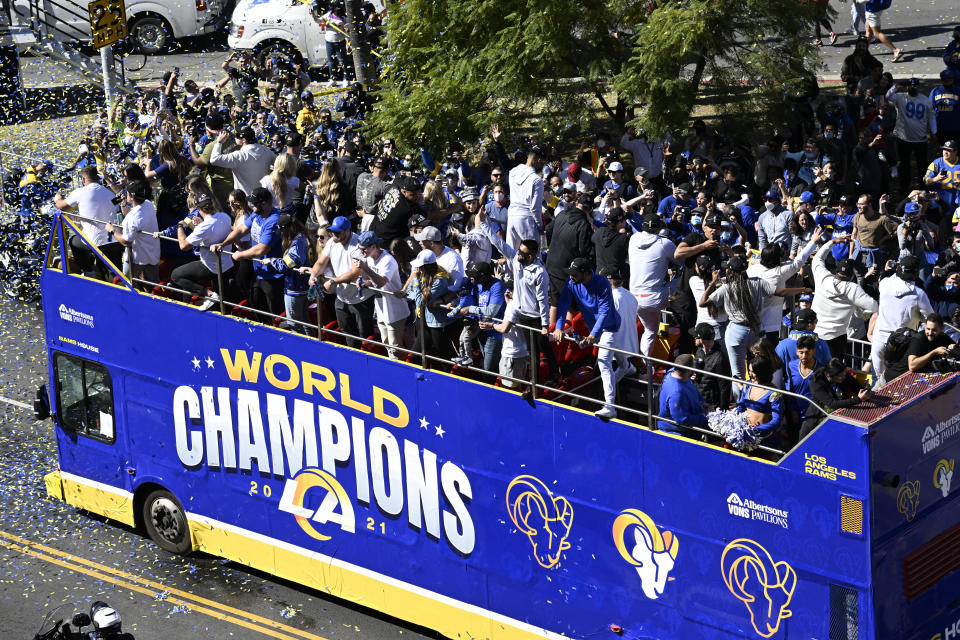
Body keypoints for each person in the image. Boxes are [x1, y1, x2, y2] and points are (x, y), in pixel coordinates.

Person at [479, 209, 558, 381]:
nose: (518, 253)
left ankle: (537, 383)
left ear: (531, 256)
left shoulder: (540, 272)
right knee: (535, 350)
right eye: (519, 250)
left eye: (522, 252)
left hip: (535, 317)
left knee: (539, 348)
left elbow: (543, 300)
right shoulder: (516, 259)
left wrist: (545, 324)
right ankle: (549, 375)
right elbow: (498, 243)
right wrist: (485, 224)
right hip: (522, 313)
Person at [700, 255, 792, 388]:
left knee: (738, 374)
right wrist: (803, 289)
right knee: (760, 368)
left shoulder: (727, 288)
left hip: (736, 332)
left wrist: (712, 283)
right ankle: (758, 395)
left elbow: (702, 303)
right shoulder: (757, 282)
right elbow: (781, 292)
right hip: (756, 330)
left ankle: (741, 403)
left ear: (730, 272)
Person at [552, 258, 622, 419]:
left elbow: (605, 311)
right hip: (594, 330)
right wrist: (558, 327)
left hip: (609, 328)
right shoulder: (572, 284)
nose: (570, 277)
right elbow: (562, 306)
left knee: (604, 362)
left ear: (585, 273)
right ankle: (626, 367)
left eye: (574, 274)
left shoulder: (602, 282)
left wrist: (593, 335)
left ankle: (610, 406)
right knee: (617, 359)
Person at [212, 187, 284, 320]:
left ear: (264, 204)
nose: (251, 205)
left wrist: (240, 255)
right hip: (259, 272)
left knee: (275, 315)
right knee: (256, 304)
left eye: (254, 203)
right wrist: (222, 244)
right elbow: (241, 230)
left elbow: (262, 249)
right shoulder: (257, 214)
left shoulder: (273, 221)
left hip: (273, 276)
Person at [307, 216, 377, 348]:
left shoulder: (358, 245)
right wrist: (313, 276)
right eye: (333, 231)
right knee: (347, 332)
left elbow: (355, 273)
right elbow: (321, 262)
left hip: (361, 299)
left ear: (347, 231)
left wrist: (333, 281)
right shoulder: (333, 242)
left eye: (337, 232)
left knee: (365, 336)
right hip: (341, 297)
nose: (334, 234)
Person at [747, 230, 820, 343]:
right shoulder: (779, 272)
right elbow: (799, 261)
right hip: (770, 326)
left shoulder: (751, 269)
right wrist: (813, 241)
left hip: (751, 322)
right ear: (777, 259)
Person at [810, 238, 878, 358]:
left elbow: (818, 258)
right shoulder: (852, 288)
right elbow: (873, 306)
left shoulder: (822, 277)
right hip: (837, 338)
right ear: (851, 275)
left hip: (815, 334)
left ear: (835, 271)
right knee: (834, 372)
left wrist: (832, 242)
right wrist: (861, 313)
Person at [168, 192, 235, 311]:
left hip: (211, 266)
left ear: (198, 208)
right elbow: (214, 229)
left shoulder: (204, 227)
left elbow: (183, 246)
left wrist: (179, 226)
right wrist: (201, 224)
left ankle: (209, 294)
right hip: (227, 264)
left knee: (176, 275)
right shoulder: (225, 216)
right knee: (224, 304)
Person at [53, 166, 123, 277]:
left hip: (95, 242)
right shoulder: (110, 193)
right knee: (117, 274)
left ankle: (89, 272)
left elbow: (61, 206)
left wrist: (57, 199)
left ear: (83, 179)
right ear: (98, 178)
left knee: (73, 241)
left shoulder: (81, 192)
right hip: (115, 239)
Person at [872, 256, 933, 381]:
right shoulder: (918, 294)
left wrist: (887, 270)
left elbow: (885, 279)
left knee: (878, 382)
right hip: (902, 346)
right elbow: (930, 319)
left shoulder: (884, 284)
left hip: (879, 340)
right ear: (916, 273)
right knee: (898, 383)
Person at [353, 230, 411, 359]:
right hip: (381, 308)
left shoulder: (387, 260)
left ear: (374, 247)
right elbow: (375, 281)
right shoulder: (370, 258)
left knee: (395, 346)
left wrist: (365, 268)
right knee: (386, 342)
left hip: (395, 310)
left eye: (364, 250)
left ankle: (404, 368)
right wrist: (365, 282)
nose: (362, 253)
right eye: (360, 249)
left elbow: (380, 282)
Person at [629, 214, 679, 356]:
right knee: (685, 278)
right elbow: (682, 262)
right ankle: (678, 323)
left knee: (650, 330)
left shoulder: (633, 239)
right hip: (656, 298)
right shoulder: (665, 243)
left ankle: (645, 366)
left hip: (634, 298)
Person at [103, 179, 161, 284]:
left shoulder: (132, 218)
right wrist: (124, 205)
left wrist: (112, 230)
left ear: (131, 196)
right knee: (152, 285)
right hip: (153, 253)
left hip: (136, 259)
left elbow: (126, 242)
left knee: (126, 283)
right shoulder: (148, 204)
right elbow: (134, 216)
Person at [261, 214, 311, 332]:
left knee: (295, 323)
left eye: (283, 231)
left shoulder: (297, 242)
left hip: (295, 289)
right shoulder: (302, 237)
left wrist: (271, 261)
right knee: (304, 322)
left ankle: (299, 347)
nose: (282, 234)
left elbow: (287, 264)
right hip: (299, 287)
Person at [800, 358, 873, 439]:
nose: (844, 377)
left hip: (839, 420)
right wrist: (858, 399)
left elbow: (857, 388)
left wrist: (865, 390)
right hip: (818, 422)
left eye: (845, 374)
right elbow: (832, 404)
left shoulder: (844, 376)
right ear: (829, 376)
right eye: (841, 376)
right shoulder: (816, 383)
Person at [406, 249, 457, 363]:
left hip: (438, 323)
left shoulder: (440, 280)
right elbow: (410, 291)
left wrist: (416, 281)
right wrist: (417, 287)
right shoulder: (424, 276)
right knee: (415, 356)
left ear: (426, 267)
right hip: (425, 320)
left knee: (443, 357)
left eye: (420, 267)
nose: (417, 270)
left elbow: (419, 301)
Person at [887, 78, 937, 191]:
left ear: (919, 87)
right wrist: (896, 86)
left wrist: (934, 132)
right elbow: (888, 96)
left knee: (922, 165)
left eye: (915, 85)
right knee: (904, 165)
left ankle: (923, 187)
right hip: (903, 138)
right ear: (907, 87)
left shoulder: (925, 100)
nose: (913, 87)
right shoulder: (900, 97)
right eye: (910, 85)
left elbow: (931, 117)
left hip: (920, 139)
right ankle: (904, 187)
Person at [545, 192, 595, 303]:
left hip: (550, 265)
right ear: (591, 209)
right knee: (569, 307)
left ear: (577, 203)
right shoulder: (584, 224)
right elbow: (584, 251)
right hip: (565, 272)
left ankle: (552, 322)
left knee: (555, 303)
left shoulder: (562, 214)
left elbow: (548, 230)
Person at [481, 290, 529, 390]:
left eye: (510, 289)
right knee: (517, 384)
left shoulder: (512, 305)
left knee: (508, 388)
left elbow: (504, 329)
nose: (507, 291)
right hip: (522, 352)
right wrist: (508, 303)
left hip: (512, 354)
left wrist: (492, 325)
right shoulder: (527, 301)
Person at [210, 126, 277, 195]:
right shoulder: (265, 150)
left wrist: (219, 142)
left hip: (246, 200)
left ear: (244, 140)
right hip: (265, 197)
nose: (235, 137)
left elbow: (214, 159)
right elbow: (279, 164)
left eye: (237, 136)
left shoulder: (239, 155)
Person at [658, 354, 708, 436]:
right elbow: (682, 419)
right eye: (693, 367)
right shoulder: (677, 393)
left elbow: (692, 390)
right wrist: (704, 417)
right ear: (688, 371)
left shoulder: (673, 372)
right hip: (678, 433)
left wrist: (702, 402)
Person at [506, 147, 544, 249]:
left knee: (511, 254)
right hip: (527, 218)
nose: (541, 165)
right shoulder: (537, 180)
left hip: (512, 215)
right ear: (539, 160)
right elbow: (535, 208)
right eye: (542, 162)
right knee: (532, 256)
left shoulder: (512, 172)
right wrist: (540, 226)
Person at [775, 308, 834, 375]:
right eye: (815, 321)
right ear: (809, 325)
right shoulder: (822, 344)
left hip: (788, 385)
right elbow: (829, 370)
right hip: (816, 384)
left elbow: (776, 372)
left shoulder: (782, 345)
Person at [691, 323, 732, 411]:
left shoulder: (720, 358)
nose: (694, 338)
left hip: (711, 405)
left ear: (701, 339)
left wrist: (722, 410)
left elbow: (724, 387)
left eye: (696, 337)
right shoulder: (699, 351)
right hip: (697, 399)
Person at [784, 335, 819, 434]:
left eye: (807, 353)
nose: (804, 356)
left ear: (814, 351)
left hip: (812, 416)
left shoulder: (820, 370)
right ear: (796, 352)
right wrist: (792, 410)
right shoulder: (791, 366)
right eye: (801, 352)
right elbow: (789, 390)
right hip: (794, 413)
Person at [415, 226, 465, 290]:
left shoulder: (453, 259)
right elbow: (414, 274)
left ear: (431, 243)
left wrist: (441, 299)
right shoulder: (424, 254)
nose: (420, 243)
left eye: (422, 241)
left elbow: (457, 286)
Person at [924, 140, 960, 214]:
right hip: (939, 203)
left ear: (955, 152)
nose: (945, 152)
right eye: (944, 149)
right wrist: (936, 179)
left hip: (957, 203)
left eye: (949, 150)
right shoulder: (936, 163)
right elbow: (926, 181)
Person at [931, 70, 960, 148]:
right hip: (941, 128)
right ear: (941, 80)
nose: (947, 81)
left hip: (956, 128)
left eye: (949, 79)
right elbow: (930, 110)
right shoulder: (935, 91)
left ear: (953, 79)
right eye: (945, 79)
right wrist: (932, 130)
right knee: (944, 151)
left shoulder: (958, 90)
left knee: (956, 152)